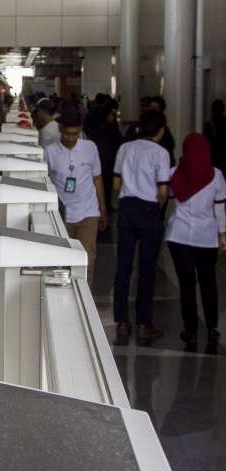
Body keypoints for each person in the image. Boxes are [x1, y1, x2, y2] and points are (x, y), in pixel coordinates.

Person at [112, 110, 171, 339]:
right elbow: (163, 190)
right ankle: (144, 323)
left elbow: (116, 185)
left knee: (124, 267)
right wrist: (158, 209)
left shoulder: (125, 148)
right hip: (149, 210)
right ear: (161, 130)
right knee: (147, 270)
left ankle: (122, 322)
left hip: (127, 208)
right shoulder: (161, 153)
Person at [164, 133, 226, 344]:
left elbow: (168, 199)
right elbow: (220, 210)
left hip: (178, 236)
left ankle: (190, 330)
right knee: (208, 283)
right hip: (206, 238)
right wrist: (223, 234)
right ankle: (211, 328)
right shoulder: (216, 176)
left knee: (186, 284)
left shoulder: (174, 173)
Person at [43, 109, 106, 286]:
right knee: (62, 260)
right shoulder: (50, 152)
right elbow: (45, 181)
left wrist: (103, 208)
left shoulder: (90, 148)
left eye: (75, 134)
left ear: (81, 130)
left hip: (88, 212)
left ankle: (87, 296)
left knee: (87, 260)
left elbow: (97, 178)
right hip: (61, 215)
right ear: (60, 129)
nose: (71, 138)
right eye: (67, 133)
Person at [147, 96, 176, 166]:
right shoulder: (141, 127)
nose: (152, 110)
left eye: (155, 108)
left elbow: (169, 149)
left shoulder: (165, 131)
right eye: (150, 107)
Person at [203, 99, 226, 172]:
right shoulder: (209, 126)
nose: (216, 113)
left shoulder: (219, 125)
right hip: (213, 159)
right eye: (215, 111)